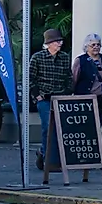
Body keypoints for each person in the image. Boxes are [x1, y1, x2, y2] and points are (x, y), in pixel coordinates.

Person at [25, 29, 67, 171]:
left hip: (60, 96)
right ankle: (49, 159)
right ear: (48, 43)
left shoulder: (64, 57)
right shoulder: (37, 58)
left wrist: (68, 91)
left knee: (61, 128)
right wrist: (37, 95)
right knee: (48, 127)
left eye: (60, 41)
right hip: (44, 98)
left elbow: (68, 76)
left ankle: (46, 154)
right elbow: (30, 78)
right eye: (56, 41)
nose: (60, 43)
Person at [71, 32, 102, 134]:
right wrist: (70, 96)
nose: (96, 47)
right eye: (93, 45)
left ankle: (95, 147)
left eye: (98, 45)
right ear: (86, 46)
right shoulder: (81, 60)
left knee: (98, 125)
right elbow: (73, 79)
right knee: (86, 125)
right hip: (85, 99)